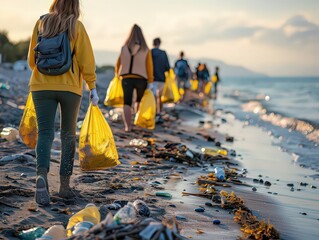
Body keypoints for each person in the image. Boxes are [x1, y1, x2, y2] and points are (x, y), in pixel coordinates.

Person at [28, 0, 99, 206]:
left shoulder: (41, 22)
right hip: (69, 89)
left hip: (41, 86)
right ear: (75, 6)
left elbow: (32, 61)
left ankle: (41, 175)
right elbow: (87, 60)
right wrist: (92, 86)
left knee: (45, 133)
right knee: (68, 135)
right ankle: (64, 187)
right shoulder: (76, 26)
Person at [115, 24, 154, 132]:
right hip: (142, 79)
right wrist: (151, 81)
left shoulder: (124, 48)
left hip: (126, 78)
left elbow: (118, 64)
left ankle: (128, 126)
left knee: (127, 102)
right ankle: (137, 122)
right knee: (138, 100)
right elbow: (149, 66)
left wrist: (117, 76)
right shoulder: (146, 49)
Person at [151, 37, 170, 122]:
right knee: (160, 97)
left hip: (153, 78)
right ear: (160, 43)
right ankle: (160, 112)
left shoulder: (150, 52)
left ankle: (154, 113)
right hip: (162, 78)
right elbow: (167, 67)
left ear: (153, 43)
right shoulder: (163, 53)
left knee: (154, 96)